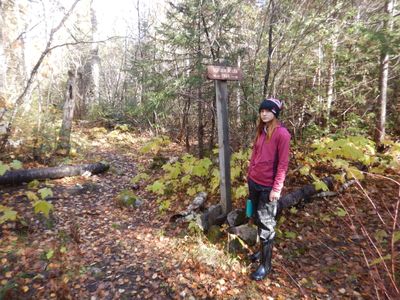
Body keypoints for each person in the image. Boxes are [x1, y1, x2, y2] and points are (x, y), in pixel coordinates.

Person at [247, 98, 291, 281]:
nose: (264, 113)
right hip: (254, 182)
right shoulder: (261, 131)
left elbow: (283, 164)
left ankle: (266, 265)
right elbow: (255, 154)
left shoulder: (282, 134)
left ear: (275, 113)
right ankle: (261, 253)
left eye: (268, 111)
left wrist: (277, 188)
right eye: (262, 110)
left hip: (268, 186)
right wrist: (249, 172)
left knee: (266, 224)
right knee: (257, 218)